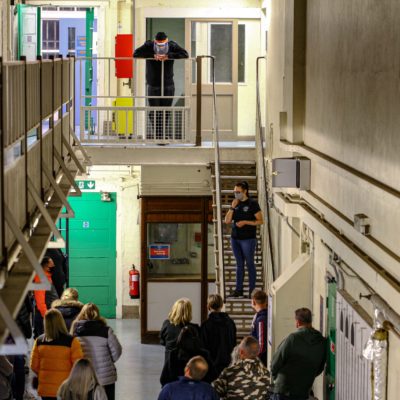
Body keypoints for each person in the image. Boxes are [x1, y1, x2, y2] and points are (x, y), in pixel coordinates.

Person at [134, 31, 188, 140]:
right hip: (153, 84)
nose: (161, 46)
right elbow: (136, 53)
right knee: (154, 112)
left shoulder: (172, 45)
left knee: (165, 111)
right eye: (158, 44)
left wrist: (169, 56)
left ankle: (162, 135)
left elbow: (185, 54)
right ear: (155, 41)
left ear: (167, 41)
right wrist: (152, 55)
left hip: (168, 84)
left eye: (163, 43)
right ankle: (158, 134)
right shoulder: (149, 45)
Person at [270, 308, 327, 400]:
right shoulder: (322, 342)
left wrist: (275, 378)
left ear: (298, 322)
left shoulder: (293, 338)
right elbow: (319, 368)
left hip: (284, 390)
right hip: (303, 391)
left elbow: (275, 362)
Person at [71, 303, 122, 400]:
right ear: (97, 314)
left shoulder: (75, 332)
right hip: (105, 377)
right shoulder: (106, 331)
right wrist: (108, 361)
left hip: (83, 376)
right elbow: (117, 350)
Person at [30, 309, 83, 400]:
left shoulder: (39, 341)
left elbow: (33, 366)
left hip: (46, 388)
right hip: (65, 388)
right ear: (61, 321)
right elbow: (79, 365)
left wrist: (44, 373)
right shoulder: (71, 341)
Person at [224, 181, 263, 298]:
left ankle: (251, 290)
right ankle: (238, 290)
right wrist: (232, 207)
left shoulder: (252, 204)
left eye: (238, 192)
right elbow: (227, 221)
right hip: (235, 238)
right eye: (235, 192)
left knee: (250, 263)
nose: (236, 194)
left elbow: (260, 221)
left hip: (248, 239)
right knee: (239, 264)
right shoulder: (235, 204)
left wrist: (246, 222)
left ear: (245, 191)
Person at [212, 336, 270, 400]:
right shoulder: (266, 373)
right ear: (257, 352)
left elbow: (213, 391)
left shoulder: (230, 372)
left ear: (241, 352)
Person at [200, 294, 237, 376]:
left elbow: (203, 347)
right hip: (228, 364)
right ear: (221, 305)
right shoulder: (230, 323)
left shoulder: (206, 325)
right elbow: (234, 343)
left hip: (211, 366)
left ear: (208, 306)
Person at [160, 298, 200, 365]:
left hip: (169, 363)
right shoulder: (194, 328)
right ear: (189, 312)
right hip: (186, 364)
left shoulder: (166, 324)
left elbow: (162, 342)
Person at [33, 256, 59, 338]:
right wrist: (46, 318)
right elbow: (40, 302)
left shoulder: (47, 276)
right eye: (52, 265)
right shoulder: (41, 279)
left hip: (48, 315)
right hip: (43, 317)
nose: (54, 266)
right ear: (46, 267)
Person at [250, 289, 268, 366]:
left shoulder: (261, 319)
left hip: (261, 361)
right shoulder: (261, 316)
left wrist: (255, 360)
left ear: (253, 302)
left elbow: (261, 345)